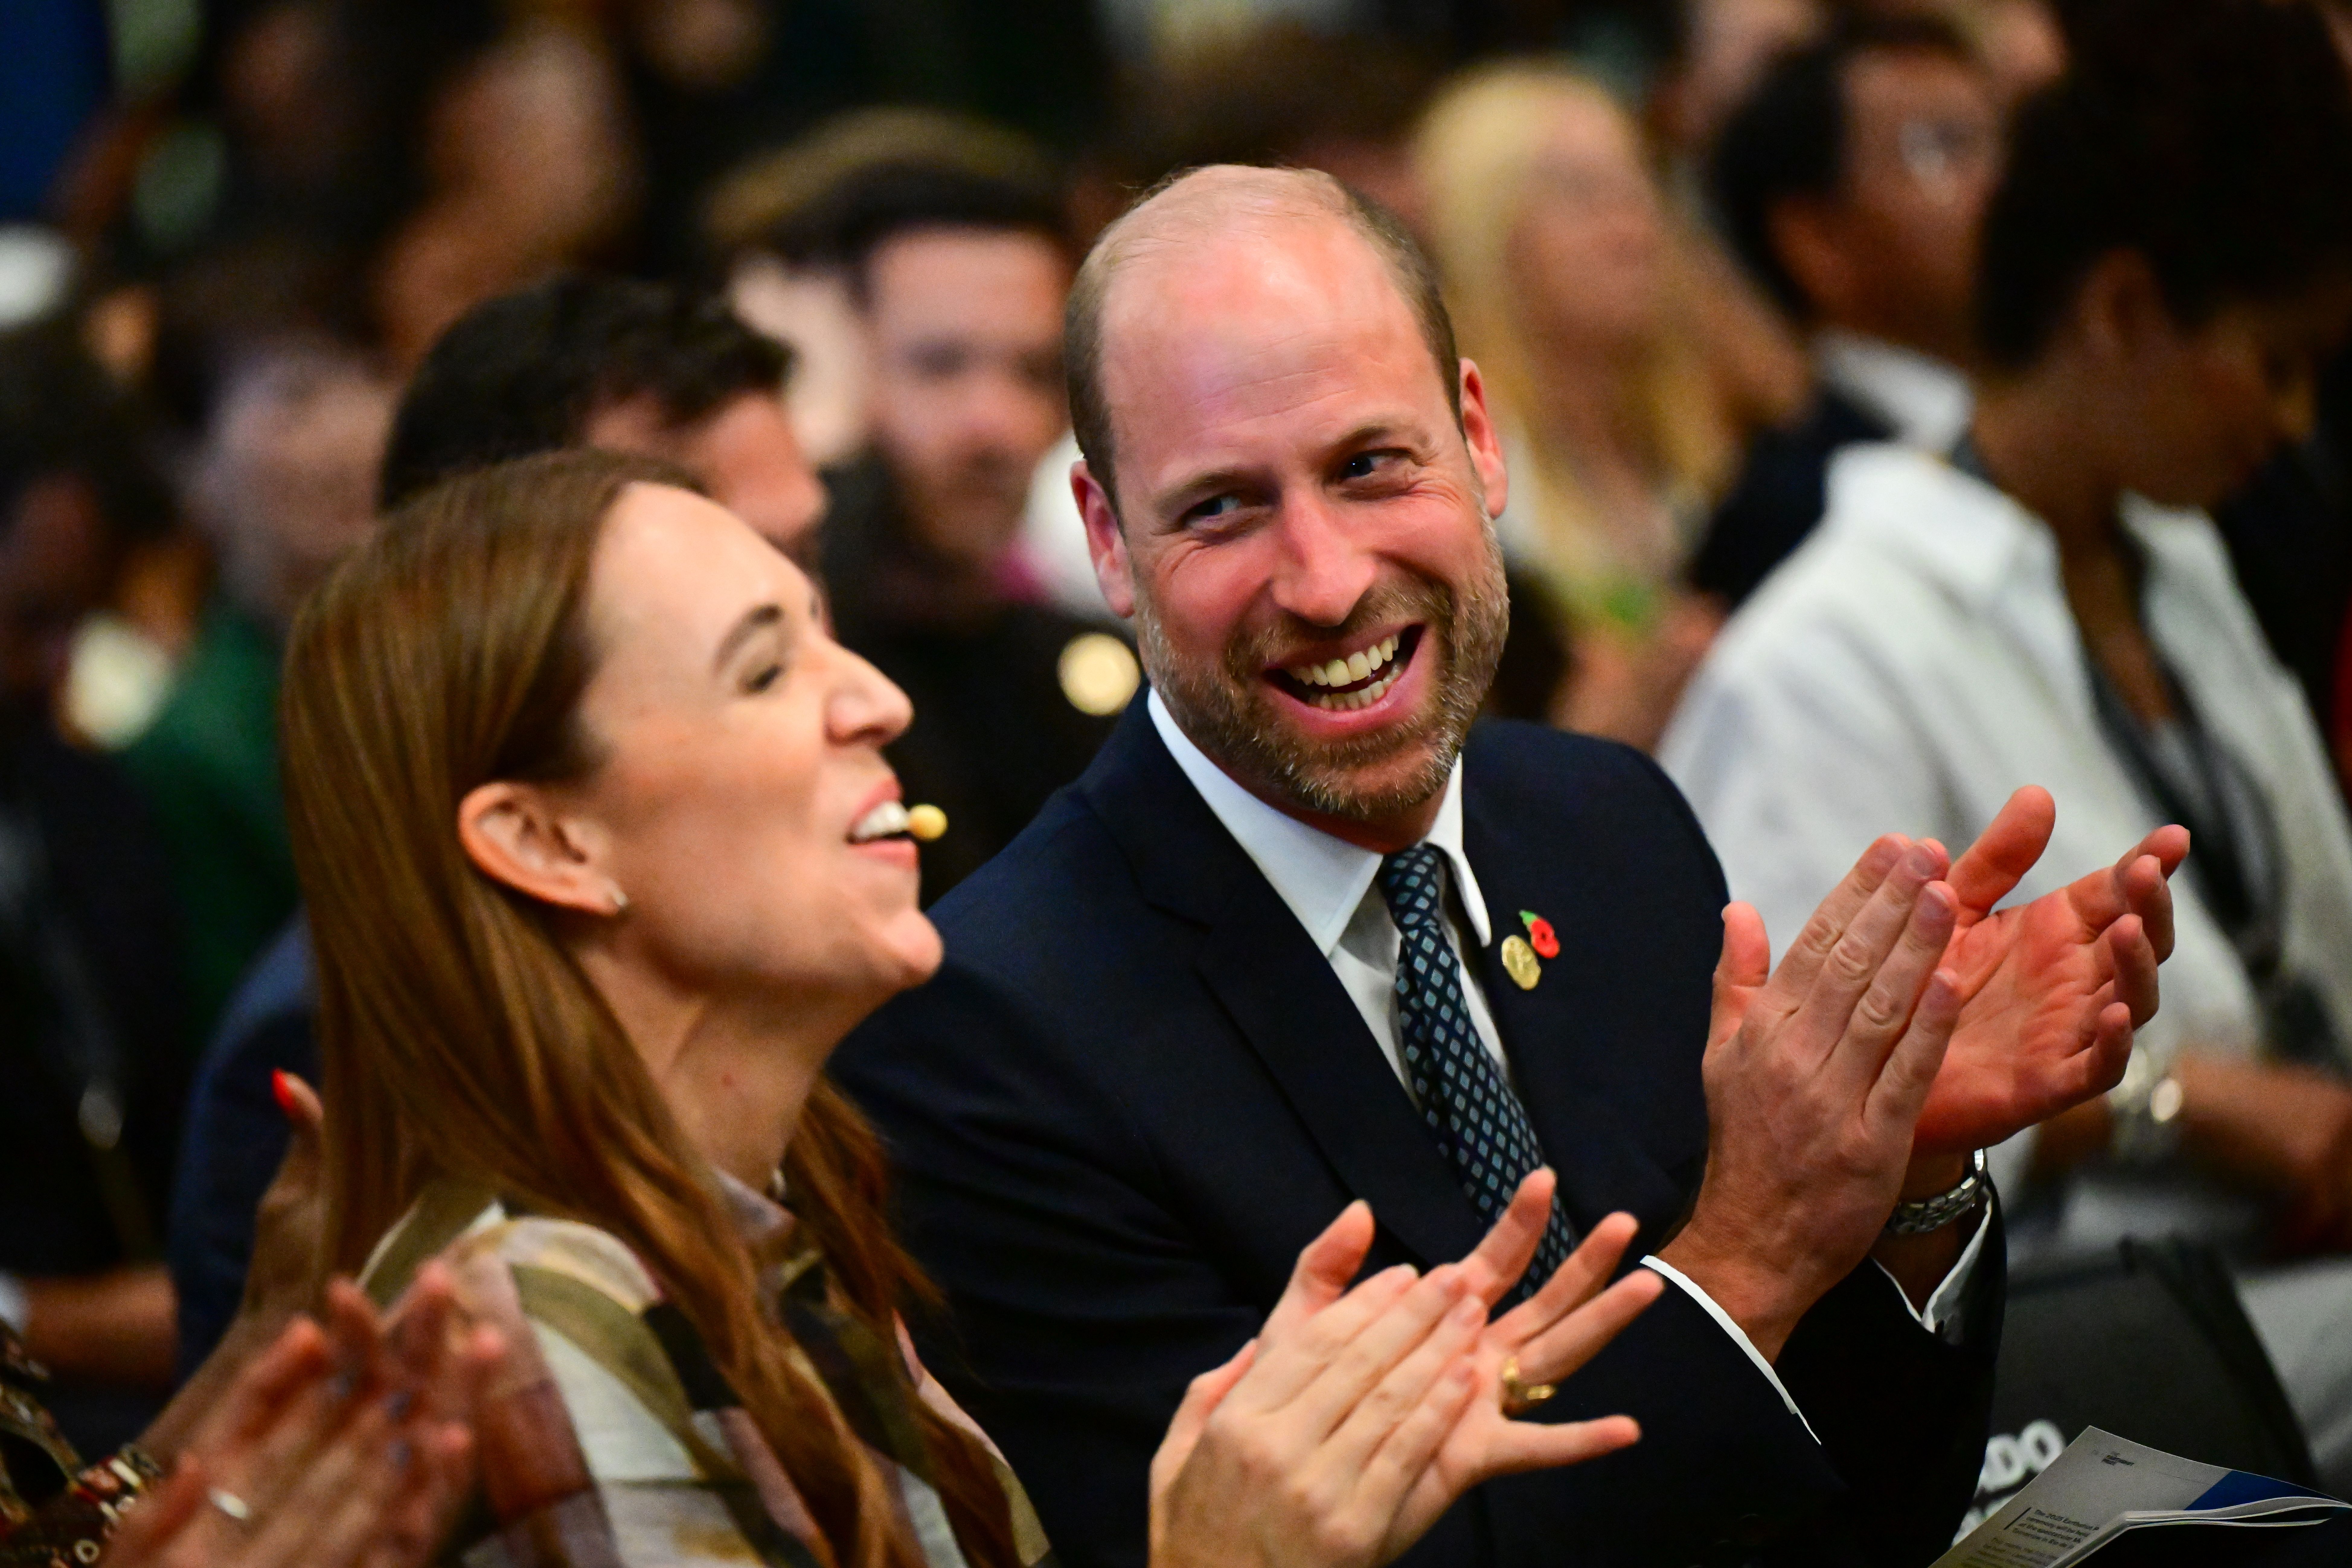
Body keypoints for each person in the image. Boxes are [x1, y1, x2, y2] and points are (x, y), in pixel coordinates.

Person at [831, 163, 2181, 1568]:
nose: (1326, 579)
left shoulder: (1609, 827)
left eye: (1368, 467)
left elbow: (1853, 1506)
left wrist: (1901, 1185)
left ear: (1479, 440)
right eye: (1221, 509)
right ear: (1107, 541)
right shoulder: (981, 1033)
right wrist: (1751, 1253)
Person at [274, 446, 1667, 1567]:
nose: (873, 700)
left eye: (828, 637)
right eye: (764, 670)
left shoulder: (782, 1226)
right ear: (548, 844)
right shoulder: (537, 1321)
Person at [1659, 0, 2352, 1493]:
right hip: (2025, 1334)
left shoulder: (2179, 557)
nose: (2293, 426)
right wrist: (2182, 1103)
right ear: (2116, 310)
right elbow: (1803, 1115)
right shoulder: (1824, 652)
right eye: (2277, 362)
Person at [167, 270, 830, 1375]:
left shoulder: (802, 917)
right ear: (485, 608)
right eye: (739, 614)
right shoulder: (359, 1034)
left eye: (809, 562)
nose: (844, 669)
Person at [812, 160, 1135, 901]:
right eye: (938, 365)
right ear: (826, 362)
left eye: (1034, 372)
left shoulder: (1088, 674)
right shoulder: (789, 694)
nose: (998, 427)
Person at [1412, 65, 1736, 749]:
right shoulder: (1455, 464)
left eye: (1638, 185)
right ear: (1485, 229)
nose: (1634, 229)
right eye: (1582, 195)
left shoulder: (1696, 439)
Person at [0, 324, 189, 1456]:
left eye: (84, 622)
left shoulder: (82, 793)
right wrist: (37, 1319)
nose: (63, 666)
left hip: (129, 1398)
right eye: (30, 619)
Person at [120, 339, 394, 1048]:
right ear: (200, 476)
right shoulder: (192, 747)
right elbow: (249, 1027)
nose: (331, 430)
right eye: (289, 398)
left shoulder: (438, 659)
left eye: (355, 375)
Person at [1691, 17, 2001, 609]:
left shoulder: (2073, 436)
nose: (1998, 181)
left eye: (2000, 139)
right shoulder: (1796, 508)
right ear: (1816, 242)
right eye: (1939, 149)